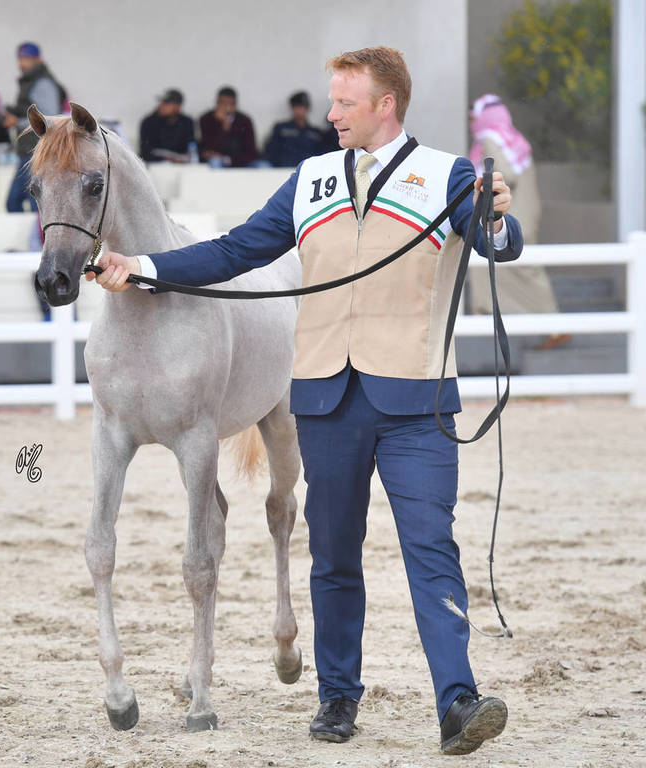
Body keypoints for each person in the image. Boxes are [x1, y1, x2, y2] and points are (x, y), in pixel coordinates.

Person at [92, 47, 523, 755]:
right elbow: (235, 251)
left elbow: (494, 243)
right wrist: (141, 267)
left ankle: (457, 700)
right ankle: (337, 698)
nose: (331, 114)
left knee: (429, 548)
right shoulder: (311, 179)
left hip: (415, 402)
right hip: (327, 399)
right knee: (332, 555)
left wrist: (497, 218)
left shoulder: (446, 175)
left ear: (385, 104)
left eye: (345, 103)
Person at [467, 93, 570, 350]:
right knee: (496, 267)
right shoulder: (512, 139)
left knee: (522, 269)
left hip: (510, 217)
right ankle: (491, 312)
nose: (471, 123)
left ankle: (554, 326)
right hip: (526, 213)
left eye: (473, 118)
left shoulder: (490, 139)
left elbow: (505, 175)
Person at [4, 42, 66, 212]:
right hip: (29, 151)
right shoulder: (31, 81)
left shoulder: (42, 83)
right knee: (15, 202)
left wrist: (17, 122)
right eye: (20, 59)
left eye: (27, 58)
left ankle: (39, 231)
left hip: (39, 151)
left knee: (34, 203)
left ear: (38, 59)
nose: (22, 63)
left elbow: (49, 117)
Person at [198, 86, 259, 167]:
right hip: (217, 160)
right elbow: (208, 149)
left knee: (263, 166)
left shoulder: (245, 120)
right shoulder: (206, 119)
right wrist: (222, 128)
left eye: (230, 104)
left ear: (235, 104)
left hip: (240, 161)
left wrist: (229, 159)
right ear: (217, 103)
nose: (226, 108)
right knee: (215, 162)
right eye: (222, 103)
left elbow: (251, 151)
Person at [265, 91, 324, 167]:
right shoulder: (281, 129)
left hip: (308, 170)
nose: (299, 111)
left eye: (302, 107)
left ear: (307, 108)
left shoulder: (316, 133)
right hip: (283, 169)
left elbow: (320, 155)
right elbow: (272, 151)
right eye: (296, 107)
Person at [139, 88, 196, 163]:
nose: (162, 105)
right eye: (161, 102)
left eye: (167, 103)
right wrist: (165, 159)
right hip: (155, 166)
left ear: (177, 106)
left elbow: (191, 150)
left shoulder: (187, 122)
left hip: (180, 166)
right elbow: (145, 152)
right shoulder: (149, 122)